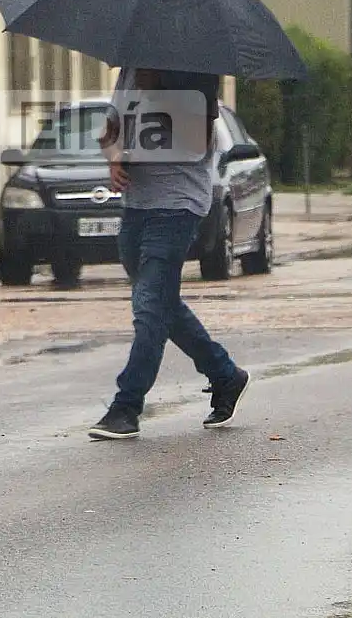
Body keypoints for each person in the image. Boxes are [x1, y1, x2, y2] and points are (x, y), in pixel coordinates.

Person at [88, 67, 249, 440]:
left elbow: (196, 140)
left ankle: (126, 407)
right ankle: (225, 374)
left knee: (149, 307)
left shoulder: (197, 71)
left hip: (178, 204)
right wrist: (114, 158)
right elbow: (108, 131)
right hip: (137, 204)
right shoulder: (130, 70)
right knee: (162, 304)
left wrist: (154, 92)